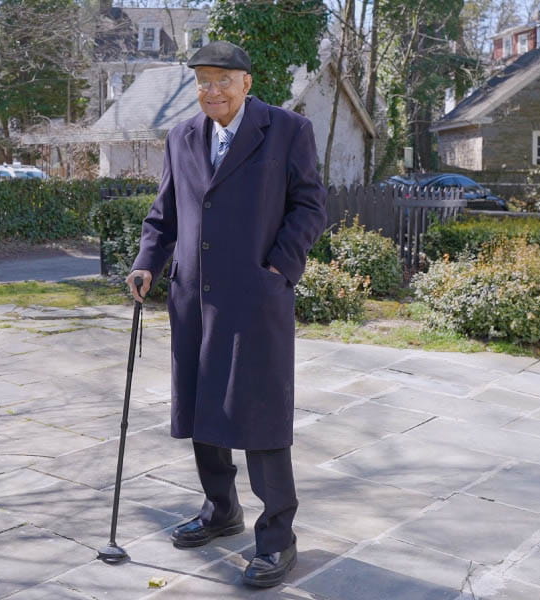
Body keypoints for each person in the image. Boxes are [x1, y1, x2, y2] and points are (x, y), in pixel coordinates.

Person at [125, 40, 327, 588]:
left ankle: (277, 538)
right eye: (203, 81)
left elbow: (309, 205)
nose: (211, 90)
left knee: (260, 415)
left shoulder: (286, 131)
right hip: (195, 297)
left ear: (246, 82)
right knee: (201, 408)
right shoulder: (182, 137)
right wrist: (148, 262)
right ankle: (221, 510)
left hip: (256, 297)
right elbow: (164, 215)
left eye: (222, 80)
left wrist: (279, 271)